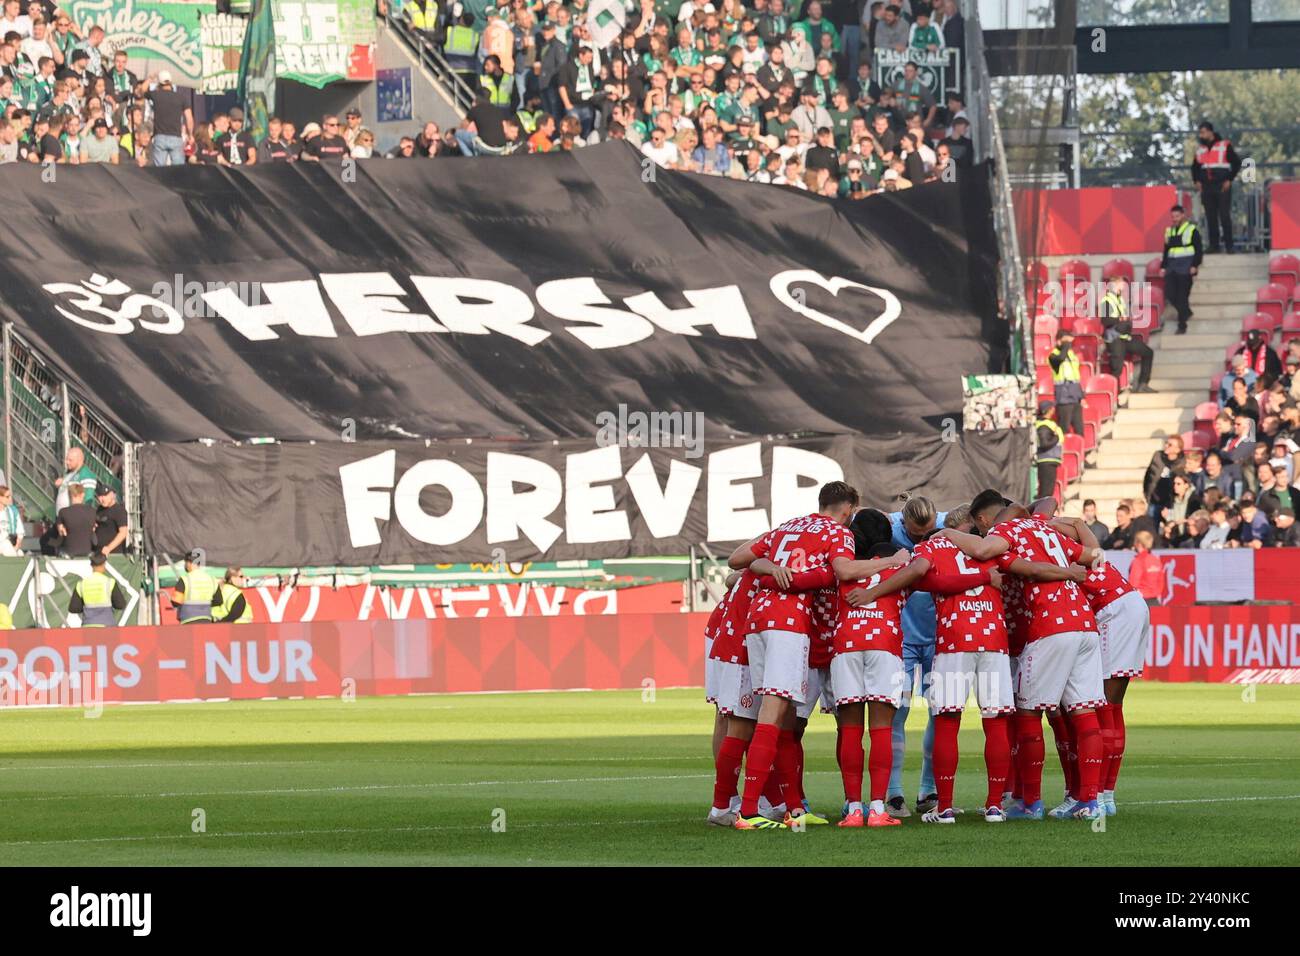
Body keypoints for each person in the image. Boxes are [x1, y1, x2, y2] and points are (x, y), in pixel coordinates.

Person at [936, 504, 1106, 820]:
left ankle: (1032, 802)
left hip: (1051, 626)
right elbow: (1096, 557)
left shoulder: (1007, 530)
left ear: (993, 520)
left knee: (1028, 712)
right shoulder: (1046, 531)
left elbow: (991, 550)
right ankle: (1091, 801)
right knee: (1084, 710)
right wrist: (1076, 544)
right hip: (1085, 625)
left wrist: (947, 532)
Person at [725, 480, 860, 829]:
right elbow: (842, 571)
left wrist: (771, 569)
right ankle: (749, 811)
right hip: (788, 624)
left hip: (758, 619)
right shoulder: (838, 533)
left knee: (783, 721)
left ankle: (794, 808)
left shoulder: (787, 527)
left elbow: (737, 560)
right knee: (773, 713)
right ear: (847, 510)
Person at [1191, 121, 1242, 254]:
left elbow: (1236, 163)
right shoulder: (1200, 149)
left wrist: (1229, 179)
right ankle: (1214, 245)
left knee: (1224, 215)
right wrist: (1196, 180)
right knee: (1210, 216)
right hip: (1207, 187)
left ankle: (1229, 245)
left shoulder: (1224, 145)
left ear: (1210, 132)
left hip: (1221, 185)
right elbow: (1195, 167)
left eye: (1203, 132)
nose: (1201, 135)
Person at [1099, 274, 1155, 393]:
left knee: (1148, 352)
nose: (1124, 287)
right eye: (1121, 284)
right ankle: (1114, 396)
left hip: (1125, 337)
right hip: (1115, 340)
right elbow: (1105, 321)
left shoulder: (1119, 299)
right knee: (1116, 370)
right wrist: (1121, 319)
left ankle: (1143, 383)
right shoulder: (1106, 300)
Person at [1161, 204, 1201, 335]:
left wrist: (1195, 265)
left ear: (1183, 215)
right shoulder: (1169, 231)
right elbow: (1166, 250)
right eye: (1173, 216)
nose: (1175, 219)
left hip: (1186, 268)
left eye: (1177, 216)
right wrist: (1163, 266)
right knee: (1170, 295)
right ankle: (1187, 313)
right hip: (1172, 268)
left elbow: (1198, 250)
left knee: (1182, 297)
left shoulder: (1192, 230)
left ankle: (1182, 325)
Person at [145, 69, 191, 166]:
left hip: (160, 136)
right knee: (178, 169)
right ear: (170, 82)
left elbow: (142, 90)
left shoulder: (156, 95)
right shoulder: (181, 97)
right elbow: (189, 118)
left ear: (160, 83)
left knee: (159, 171)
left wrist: (150, 79)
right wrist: (190, 135)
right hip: (176, 137)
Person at [68, 551, 126, 627]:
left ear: (91, 565)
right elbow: (120, 605)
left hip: (88, 626)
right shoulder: (110, 582)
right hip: (108, 626)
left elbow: (74, 608)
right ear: (104, 564)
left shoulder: (81, 584)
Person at [1047, 329, 1083, 436]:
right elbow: (1060, 358)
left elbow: (1076, 376)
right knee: (1064, 428)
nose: (1068, 345)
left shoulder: (1072, 355)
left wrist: (1082, 395)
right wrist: (1066, 345)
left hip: (1075, 396)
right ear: (1058, 341)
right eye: (1065, 342)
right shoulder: (1053, 356)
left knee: (1079, 429)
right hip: (1063, 398)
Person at [171, 550, 219, 624]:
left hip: (188, 619)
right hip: (206, 618)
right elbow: (219, 600)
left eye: (185, 563)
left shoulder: (185, 579)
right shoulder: (211, 579)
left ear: (189, 563)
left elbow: (176, 601)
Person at [55, 482, 96, 557]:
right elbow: (93, 530)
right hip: (87, 551)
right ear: (82, 494)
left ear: (70, 495)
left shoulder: (63, 512)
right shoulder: (92, 511)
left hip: (68, 551)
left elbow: (61, 532)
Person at [1034, 400, 1064, 499]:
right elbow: (1044, 443)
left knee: (1047, 491)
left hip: (1049, 460)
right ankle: (1041, 512)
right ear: (1049, 410)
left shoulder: (1045, 424)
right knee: (1046, 492)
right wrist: (1056, 437)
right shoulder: (1044, 425)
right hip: (1046, 460)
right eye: (1052, 408)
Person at [1128, 531, 1163, 604]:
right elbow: (1161, 582)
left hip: (1141, 601)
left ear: (1139, 544)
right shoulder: (1155, 560)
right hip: (1155, 601)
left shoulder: (1138, 561)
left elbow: (1133, 584)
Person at [93, 485, 128, 555]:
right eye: (99, 496)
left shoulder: (119, 510)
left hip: (113, 553)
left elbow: (123, 532)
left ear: (112, 495)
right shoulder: (99, 509)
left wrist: (109, 548)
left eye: (104, 496)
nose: (101, 499)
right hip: (97, 552)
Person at [0, 484, 21, 556]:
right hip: (3, 543)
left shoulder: (13, 511)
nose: (10, 499)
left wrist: (17, 546)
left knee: (20, 553)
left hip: (10, 542)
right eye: (7, 497)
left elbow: (20, 532)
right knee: (6, 545)